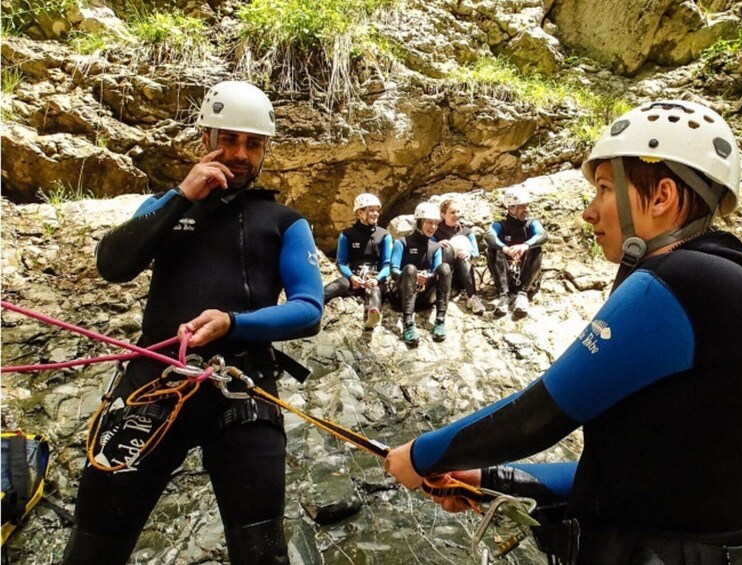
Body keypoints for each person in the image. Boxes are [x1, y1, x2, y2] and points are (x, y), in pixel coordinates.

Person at [385, 100, 742, 565]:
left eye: (605, 189)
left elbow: (537, 416)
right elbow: (620, 479)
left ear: (661, 197)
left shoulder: (683, 280)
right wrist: (491, 478)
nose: (589, 213)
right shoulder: (732, 280)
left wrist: (422, 456)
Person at [62, 81, 324, 565]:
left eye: (253, 143)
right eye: (229, 139)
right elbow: (112, 265)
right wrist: (184, 194)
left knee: (262, 551)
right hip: (154, 383)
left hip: (241, 387)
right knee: (95, 541)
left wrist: (232, 322)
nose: (240, 153)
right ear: (205, 138)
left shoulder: (284, 221)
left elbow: (310, 309)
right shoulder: (165, 204)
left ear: (265, 149)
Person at [324, 193, 392, 329]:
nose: (375, 214)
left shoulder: (384, 235)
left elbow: (387, 264)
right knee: (341, 283)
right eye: (370, 210)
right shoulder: (347, 235)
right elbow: (341, 262)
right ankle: (315, 299)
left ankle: (372, 315)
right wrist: (351, 277)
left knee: (375, 290)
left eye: (376, 210)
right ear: (360, 213)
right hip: (354, 278)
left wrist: (377, 279)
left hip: (374, 279)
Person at [389, 202, 453, 345]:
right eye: (429, 223)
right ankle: (408, 323)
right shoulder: (402, 243)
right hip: (402, 295)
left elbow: (437, 270)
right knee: (410, 268)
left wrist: (427, 277)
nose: (433, 227)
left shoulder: (435, 247)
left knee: (445, 267)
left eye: (436, 224)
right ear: (419, 222)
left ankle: (440, 320)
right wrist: (414, 276)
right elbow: (393, 270)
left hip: (424, 297)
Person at [484, 187, 548, 317]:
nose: (527, 209)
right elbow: (489, 236)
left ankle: (523, 294)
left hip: (525, 276)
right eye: (522, 206)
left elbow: (543, 235)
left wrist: (525, 245)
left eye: (527, 205)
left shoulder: (532, 224)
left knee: (536, 248)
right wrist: (504, 248)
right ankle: (504, 295)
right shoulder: (501, 225)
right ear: (511, 208)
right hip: (507, 275)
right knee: (492, 248)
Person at [433, 198, 485, 315]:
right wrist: (436, 245)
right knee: (446, 248)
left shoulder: (466, 231)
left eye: (458, 212)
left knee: (464, 256)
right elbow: (426, 248)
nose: (456, 215)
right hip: (443, 273)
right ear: (443, 215)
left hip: (462, 273)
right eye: (452, 212)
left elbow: (476, 253)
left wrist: (469, 253)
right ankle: (443, 292)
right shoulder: (436, 231)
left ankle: (472, 297)